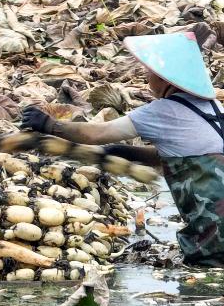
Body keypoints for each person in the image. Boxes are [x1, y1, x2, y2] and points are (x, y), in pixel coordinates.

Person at [21, 32, 224, 267]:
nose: (147, 77)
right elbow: (185, 157)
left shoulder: (161, 111)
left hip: (215, 238)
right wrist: (123, 152)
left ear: (166, 78)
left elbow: (96, 133)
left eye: (150, 72)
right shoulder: (215, 109)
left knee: (201, 285)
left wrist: (49, 125)